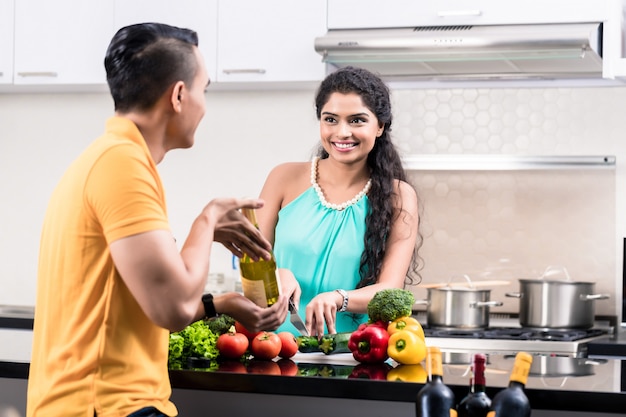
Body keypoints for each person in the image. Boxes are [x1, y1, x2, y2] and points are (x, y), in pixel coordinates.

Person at [26, 23, 288, 417]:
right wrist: (207, 219)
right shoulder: (122, 166)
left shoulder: (110, 158)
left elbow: (146, 301)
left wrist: (224, 303)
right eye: (204, 90)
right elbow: (174, 308)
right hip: (106, 407)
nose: (204, 105)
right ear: (179, 95)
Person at [257, 66, 422, 337]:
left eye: (357, 120)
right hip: (275, 348)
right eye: (330, 119)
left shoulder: (399, 196)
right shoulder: (282, 177)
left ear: (380, 126)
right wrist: (275, 273)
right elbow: (254, 266)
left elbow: (389, 289)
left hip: (357, 351)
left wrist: (339, 298)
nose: (342, 132)